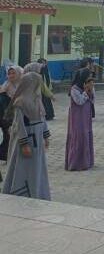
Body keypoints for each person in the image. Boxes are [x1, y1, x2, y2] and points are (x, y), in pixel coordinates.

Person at [1, 72, 51, 200]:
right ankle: (22, 193)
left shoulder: (37, 99)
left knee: (37, 168)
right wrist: (24, 143)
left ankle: (38, 192)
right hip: (28, 139)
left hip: (38, 138)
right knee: (24, 168)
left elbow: (42, 118)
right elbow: (19, 124)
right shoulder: (20, 101)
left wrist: (46, 135)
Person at [65, 69, 95, 171]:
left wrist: (91, 90)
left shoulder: (89, 86)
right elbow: (79, 101)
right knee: (78, 135)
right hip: (77, 116)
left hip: (86, 115)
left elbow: (93, 101)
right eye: (88, 76)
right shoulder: (74, 89)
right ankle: (75, 163)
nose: (90, 79)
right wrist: (86, 91)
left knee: (85, 134)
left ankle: (86, 161)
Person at [0, 65, 23, 161]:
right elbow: (4, 102)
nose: (11, 75)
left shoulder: (23, 85)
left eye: (13, 73)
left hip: (19, 113)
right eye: (9, 73)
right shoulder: (5, 86)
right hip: (6, 114)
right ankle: (6, 155)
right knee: (8, 135)